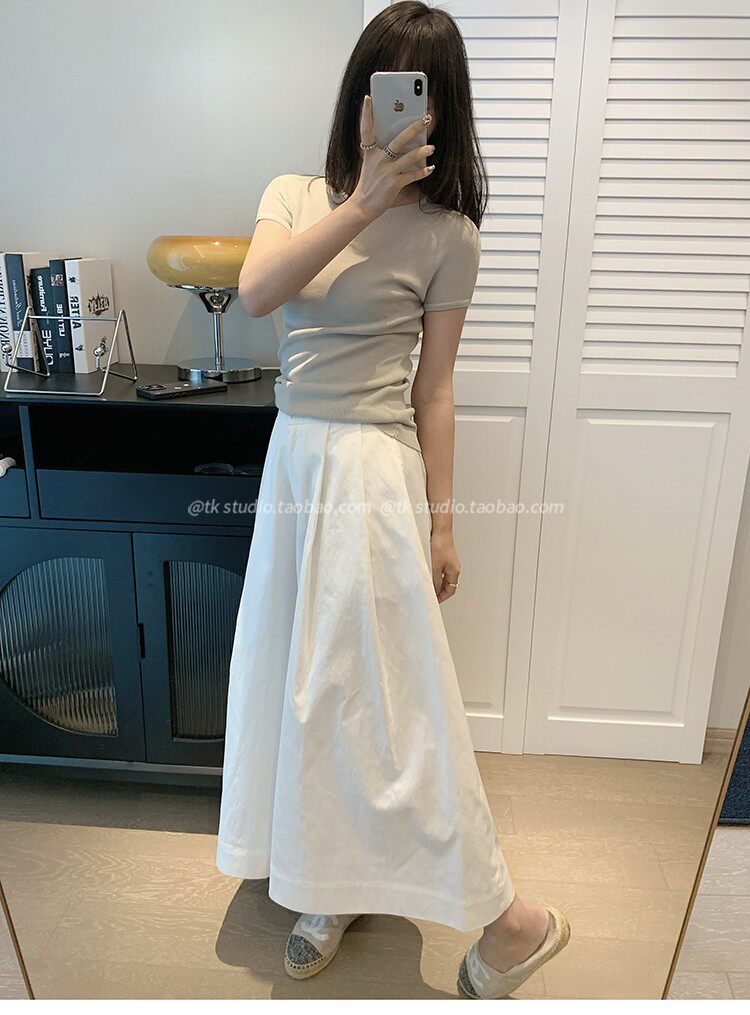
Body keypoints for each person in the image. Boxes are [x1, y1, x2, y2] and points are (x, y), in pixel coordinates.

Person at [216, 1, 569, 1000]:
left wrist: (444, 525)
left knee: (388, 699)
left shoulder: (451, 234)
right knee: (304, 681)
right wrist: (363, 201)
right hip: (295, 461)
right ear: (358, 94)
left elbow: (435, 389)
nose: (402, 109)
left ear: (442, 111)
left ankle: (511, 919)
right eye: (386, 84)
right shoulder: (294, 194)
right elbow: (257, 291)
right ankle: (325, 880)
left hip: (372, 470)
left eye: (423, 93)